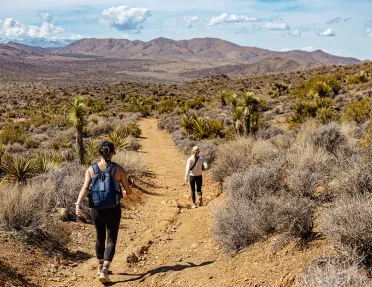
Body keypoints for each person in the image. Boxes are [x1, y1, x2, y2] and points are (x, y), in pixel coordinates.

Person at [75, 141, 132, 284]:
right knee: (111, 239)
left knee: (100, 237)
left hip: (96, 208)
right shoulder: (118, 169)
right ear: (113, 153)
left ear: (99, 153)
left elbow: (85, 188)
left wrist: (77, 204)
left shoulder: (90, 169)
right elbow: (128, 191)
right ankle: (105, 270)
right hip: (113, 207)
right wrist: (125, 191)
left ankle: (100, 267)